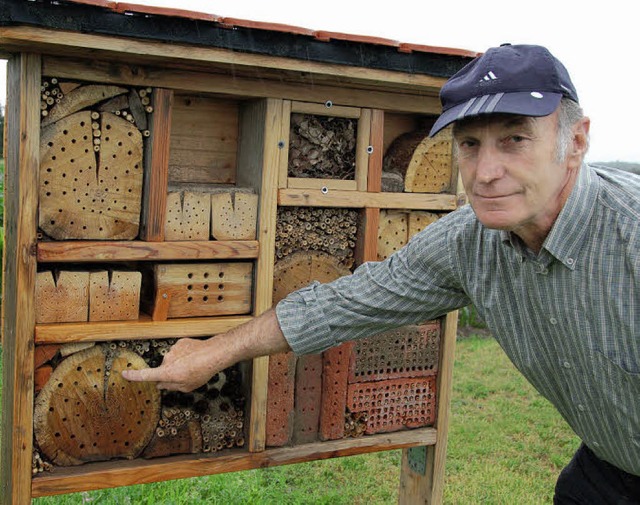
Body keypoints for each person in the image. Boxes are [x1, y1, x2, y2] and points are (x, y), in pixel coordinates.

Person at [123, 44, 640, 503]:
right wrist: (217, 350)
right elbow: (349, 301)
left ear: (576, 140)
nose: (484, 172)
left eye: (514, 140)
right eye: (469, 144)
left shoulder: (630, 239)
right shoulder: (469, 242)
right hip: (611, 466)